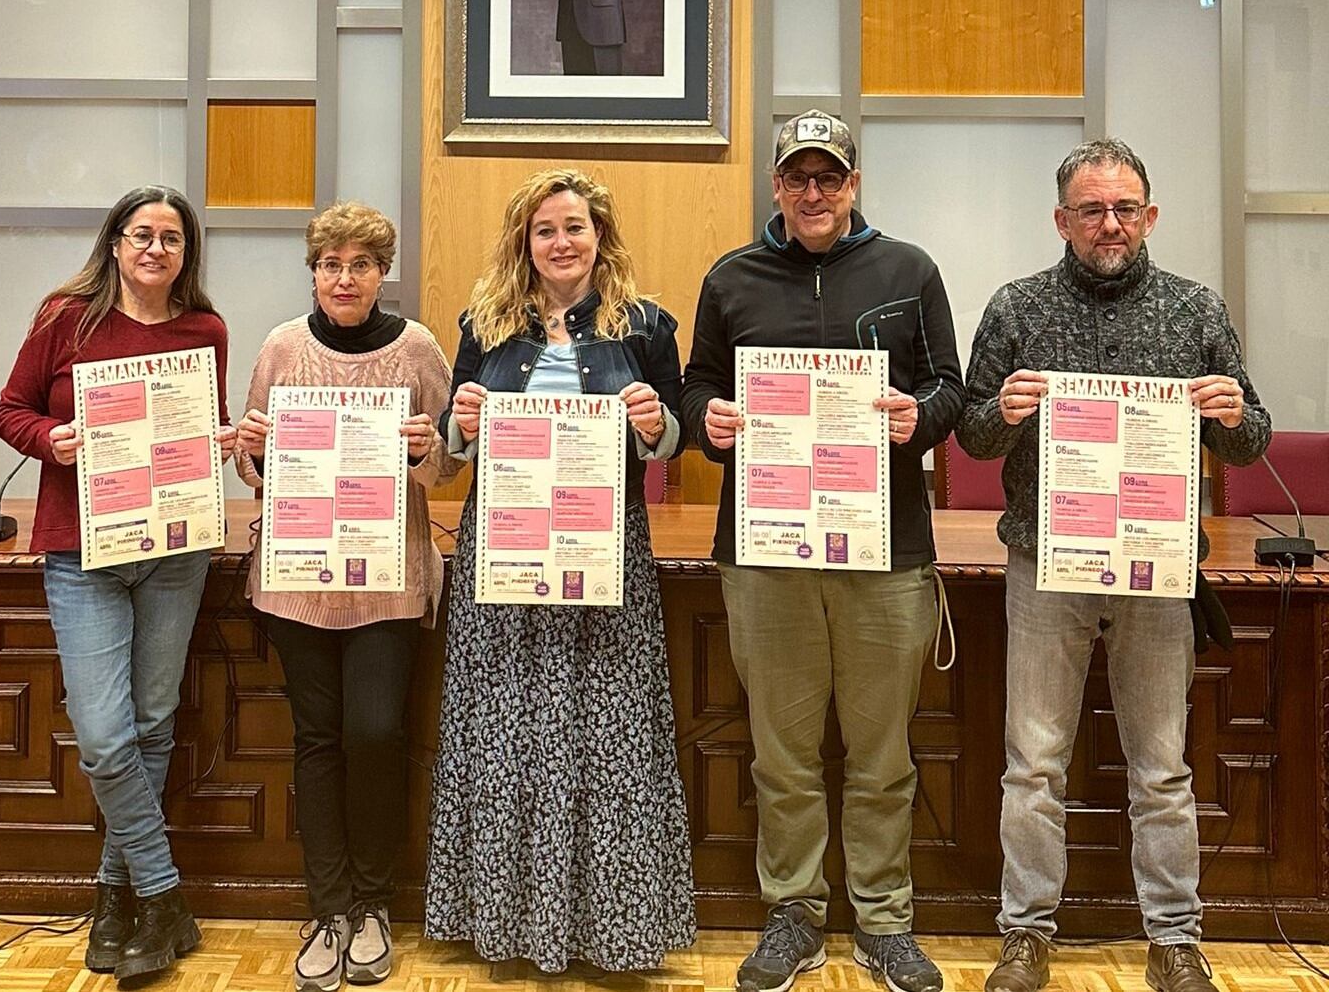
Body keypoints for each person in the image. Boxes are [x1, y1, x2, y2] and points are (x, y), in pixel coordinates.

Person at [957, 139, 1271, 992]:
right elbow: (971, 435)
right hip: (1046, 565)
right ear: (1061, 220)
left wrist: (1233, 413)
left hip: (1157, 570)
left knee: (1162, 768)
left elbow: (1250, 440)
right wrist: (1003, 412)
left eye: (1124, 209)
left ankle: (1174, 938)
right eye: (1091, 210)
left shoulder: (1195, 310)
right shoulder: (1017, 307)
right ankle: (1026, 934)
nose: (1110, 224)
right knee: (1033, 764)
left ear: (1150, 216)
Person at [680, 109, 964, 992]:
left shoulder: (909, 270)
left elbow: (952, 389)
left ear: (853, 185)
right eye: (798, 177)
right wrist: (707, 419)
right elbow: (696, 384)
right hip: (767, 552)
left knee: (883, 757)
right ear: (775, 185)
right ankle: (794, 914)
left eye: (829, 177)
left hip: (886, 554)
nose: (814, 192)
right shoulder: (732, 277)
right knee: (783, 756)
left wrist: (921, 417)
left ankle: (884, 920)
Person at [424, 168, 696, 972]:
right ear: (525, 242)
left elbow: (676, 439)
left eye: (575, 226)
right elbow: (452, 444)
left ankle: (613, 929)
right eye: (544, 230)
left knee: (608, 736)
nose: (561, 242)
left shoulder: (646, 325)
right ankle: (506, 926)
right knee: (503, 732)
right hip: (501, 557)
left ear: (599, 235)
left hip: (606, 557)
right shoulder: (484, 325)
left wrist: (656, 422)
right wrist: (460, 422)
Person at [0, 185, 235, 982]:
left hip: (175, 548)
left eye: (172, 238)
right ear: (116, 242)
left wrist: (218, 439)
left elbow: (199, 428)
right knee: (103, 735)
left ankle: (114, 897)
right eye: (142, 234)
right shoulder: (65, 317)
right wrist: (51, 439)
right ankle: (163, 894)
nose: (156, 249)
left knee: (152, 723)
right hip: (81, 549)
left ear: (186, 253)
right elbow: (10, 410)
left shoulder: (206, 330)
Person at [233, 202, 459, 992]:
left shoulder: (418, 348)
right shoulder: (281, 346)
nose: (344, 278)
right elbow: (253, 467)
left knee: (376, 733)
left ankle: (373, 905)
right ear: (314, 272)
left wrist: (429, 449)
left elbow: (450, 461)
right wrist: (254, 451)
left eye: (361, 264)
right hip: (299, 581)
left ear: (381, 273)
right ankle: (328, 908)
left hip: (387, 580)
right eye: (330, 264)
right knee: (317, 739)